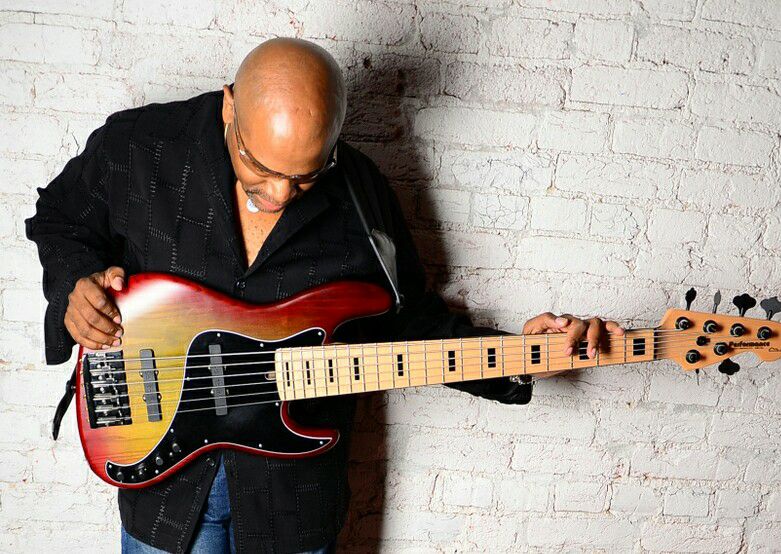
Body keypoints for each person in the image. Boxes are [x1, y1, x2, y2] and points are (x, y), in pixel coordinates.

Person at [25, 38, 623, 554]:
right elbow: (59, 218)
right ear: (230, 105)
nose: (280, 195)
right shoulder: (140, 145)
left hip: (291, 504)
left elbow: (412, 323)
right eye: (259, 167)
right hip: (162, 487)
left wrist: (523, 353)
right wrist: (76, 284)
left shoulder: (363, 197)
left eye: (305, 176)